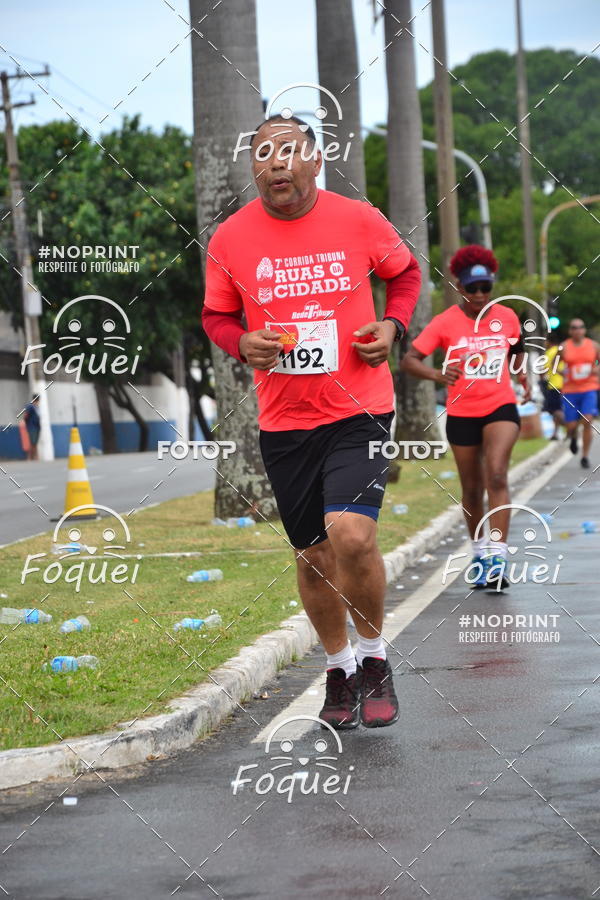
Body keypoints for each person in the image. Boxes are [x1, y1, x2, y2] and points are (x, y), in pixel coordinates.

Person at [202, 115, 421, 729]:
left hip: (360, 407)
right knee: (313, 556)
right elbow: (216, 316)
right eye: (263, 154)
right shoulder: (232, 238)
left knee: (352, 534)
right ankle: (338, 667)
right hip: (284, 420)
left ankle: (375, 659)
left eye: (288, 151)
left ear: (315, 160)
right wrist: (240, 340)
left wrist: (393, 325)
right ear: (254, 168)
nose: (276, 163)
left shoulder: (357, 219)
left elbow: (403, 273)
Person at [401, 245, 530, 591]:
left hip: (501, 405)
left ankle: (498, 556)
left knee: (498, 475)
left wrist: (523, 378)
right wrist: (439, 376)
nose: (478, 295)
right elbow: (409, 360)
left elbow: (516, 350)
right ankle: (479, 553)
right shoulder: (445, 323)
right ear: (459, 287)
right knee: (472, 488)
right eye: (471, 288)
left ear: (492, 287)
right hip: (462, 413)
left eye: (485, 288)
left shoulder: (507, 316)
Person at [557, 318, 600, 469]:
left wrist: (596, 369)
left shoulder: (593, 346)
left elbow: (599, 362)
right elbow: (555, 364)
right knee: (571, 426)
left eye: (580, 327)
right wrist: (562, 371)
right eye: (574, 328)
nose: (577, 330)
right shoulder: (564, 347)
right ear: (570, 331)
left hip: (589, 388)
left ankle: (585, 456)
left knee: (588, 420)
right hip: (570, 391)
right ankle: (573, 437)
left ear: (584, 330)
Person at [540, 334, 564, 440]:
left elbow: (543, 370)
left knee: (555, 410)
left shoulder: (549, 353)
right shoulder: (561, 350)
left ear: (549, 342)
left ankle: (571, 426)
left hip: (554, 385)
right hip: (565, 384)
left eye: (546, 341)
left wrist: (541, 379)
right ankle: (555, 433)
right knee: (558, 409)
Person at [23, 395, 40, 461]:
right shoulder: (30, 406)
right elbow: (26, 415)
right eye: (37, 401)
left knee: (34, 442)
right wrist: (27, 423)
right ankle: (31, 457)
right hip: (32, 427)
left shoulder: (36, 407)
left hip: (36, 427)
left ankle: (34, 457)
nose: (38, 403)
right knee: (32, 442)